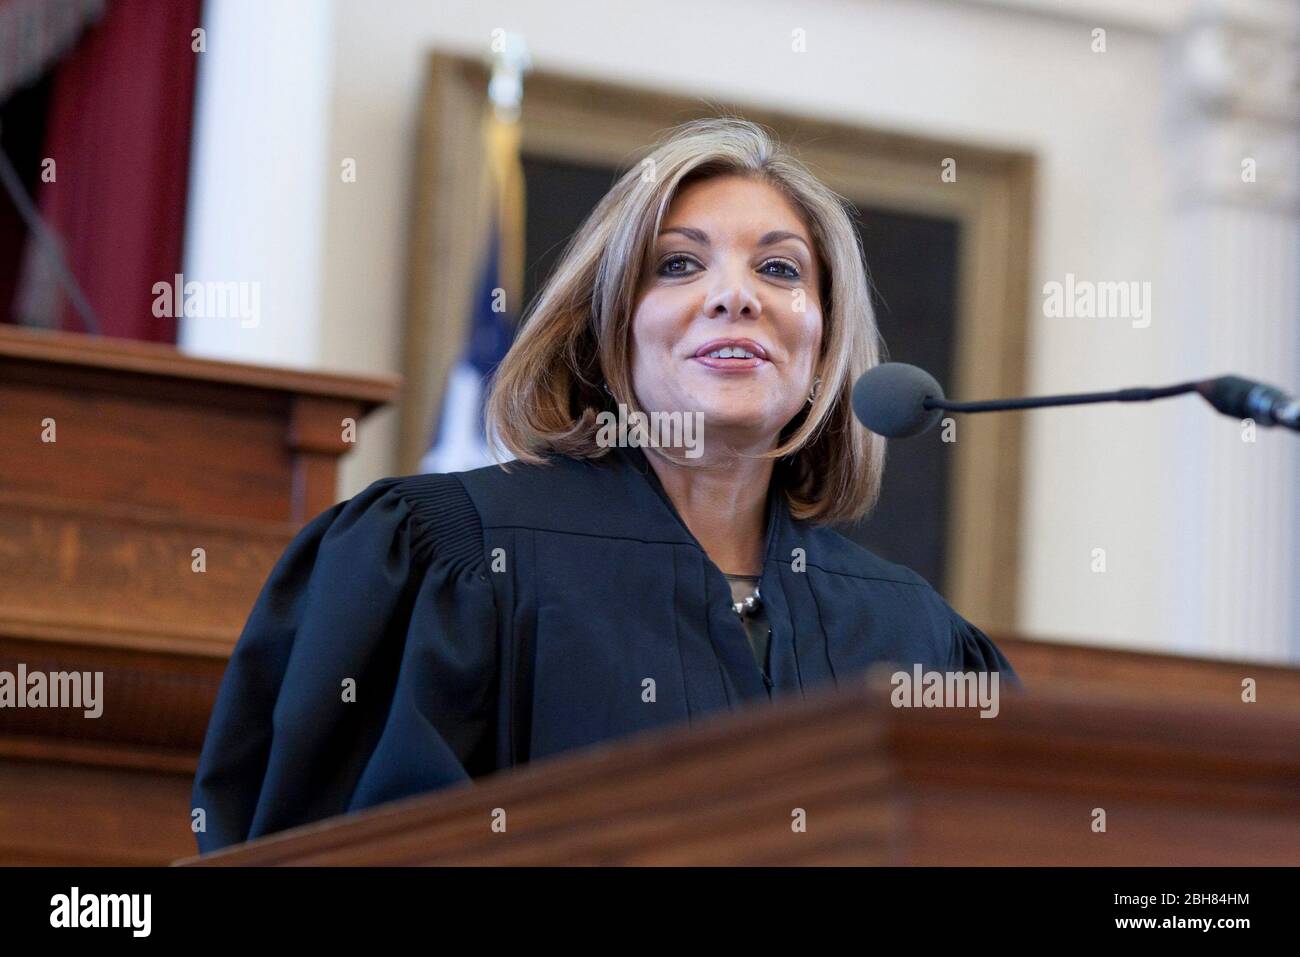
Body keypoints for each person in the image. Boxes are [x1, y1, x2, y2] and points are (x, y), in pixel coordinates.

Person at [191, 116, 1019, 854]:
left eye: (779, 267)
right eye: (680, 264)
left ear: (827, 342)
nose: (736, 295)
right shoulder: (448, 560)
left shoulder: (914, 633)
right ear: (608, 336)